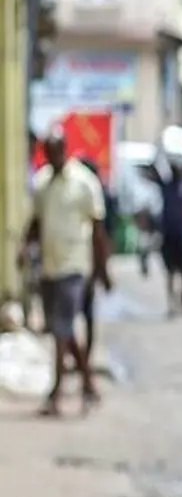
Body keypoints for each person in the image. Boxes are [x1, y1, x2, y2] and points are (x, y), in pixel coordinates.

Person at [21, 129, 111, 416]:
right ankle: (88, 383)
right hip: (50, 265)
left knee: (62, 328)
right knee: (63, 329)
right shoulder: (43, 183)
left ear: (65, 149)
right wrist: (24, 248)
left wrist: (102, 269)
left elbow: (98, 230)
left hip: (75, 266)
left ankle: (56, 392)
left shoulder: (84, 183)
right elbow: (36, 221)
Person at [145, 126, 182, 316]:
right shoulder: (166, 185)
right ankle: (172, 303)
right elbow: (151, 171)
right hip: (169, 233)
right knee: (170, 272)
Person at [77, 157, 118, 365]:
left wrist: (102, 269)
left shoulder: (97, 196)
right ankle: (82, 359)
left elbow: (101, 234)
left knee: (86, 311)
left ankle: (84, 359)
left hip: (89, 261)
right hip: (76, 262)